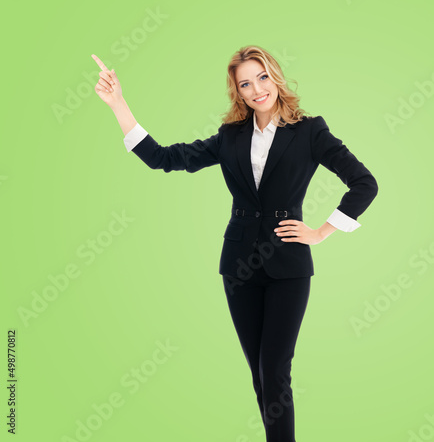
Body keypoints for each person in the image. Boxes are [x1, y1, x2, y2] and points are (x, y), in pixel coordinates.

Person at [91, 45, 378, 442]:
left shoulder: (310, 131)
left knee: (276, 370)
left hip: (288, 267)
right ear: (238, 92)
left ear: (275, 76)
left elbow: (365, 182)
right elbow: (164, 158)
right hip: (239, 268)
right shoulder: (230, 136)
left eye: (261, 77)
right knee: (261, 377)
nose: (257, 89)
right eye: (246, 83)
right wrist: (117, 104)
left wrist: (322, 231)